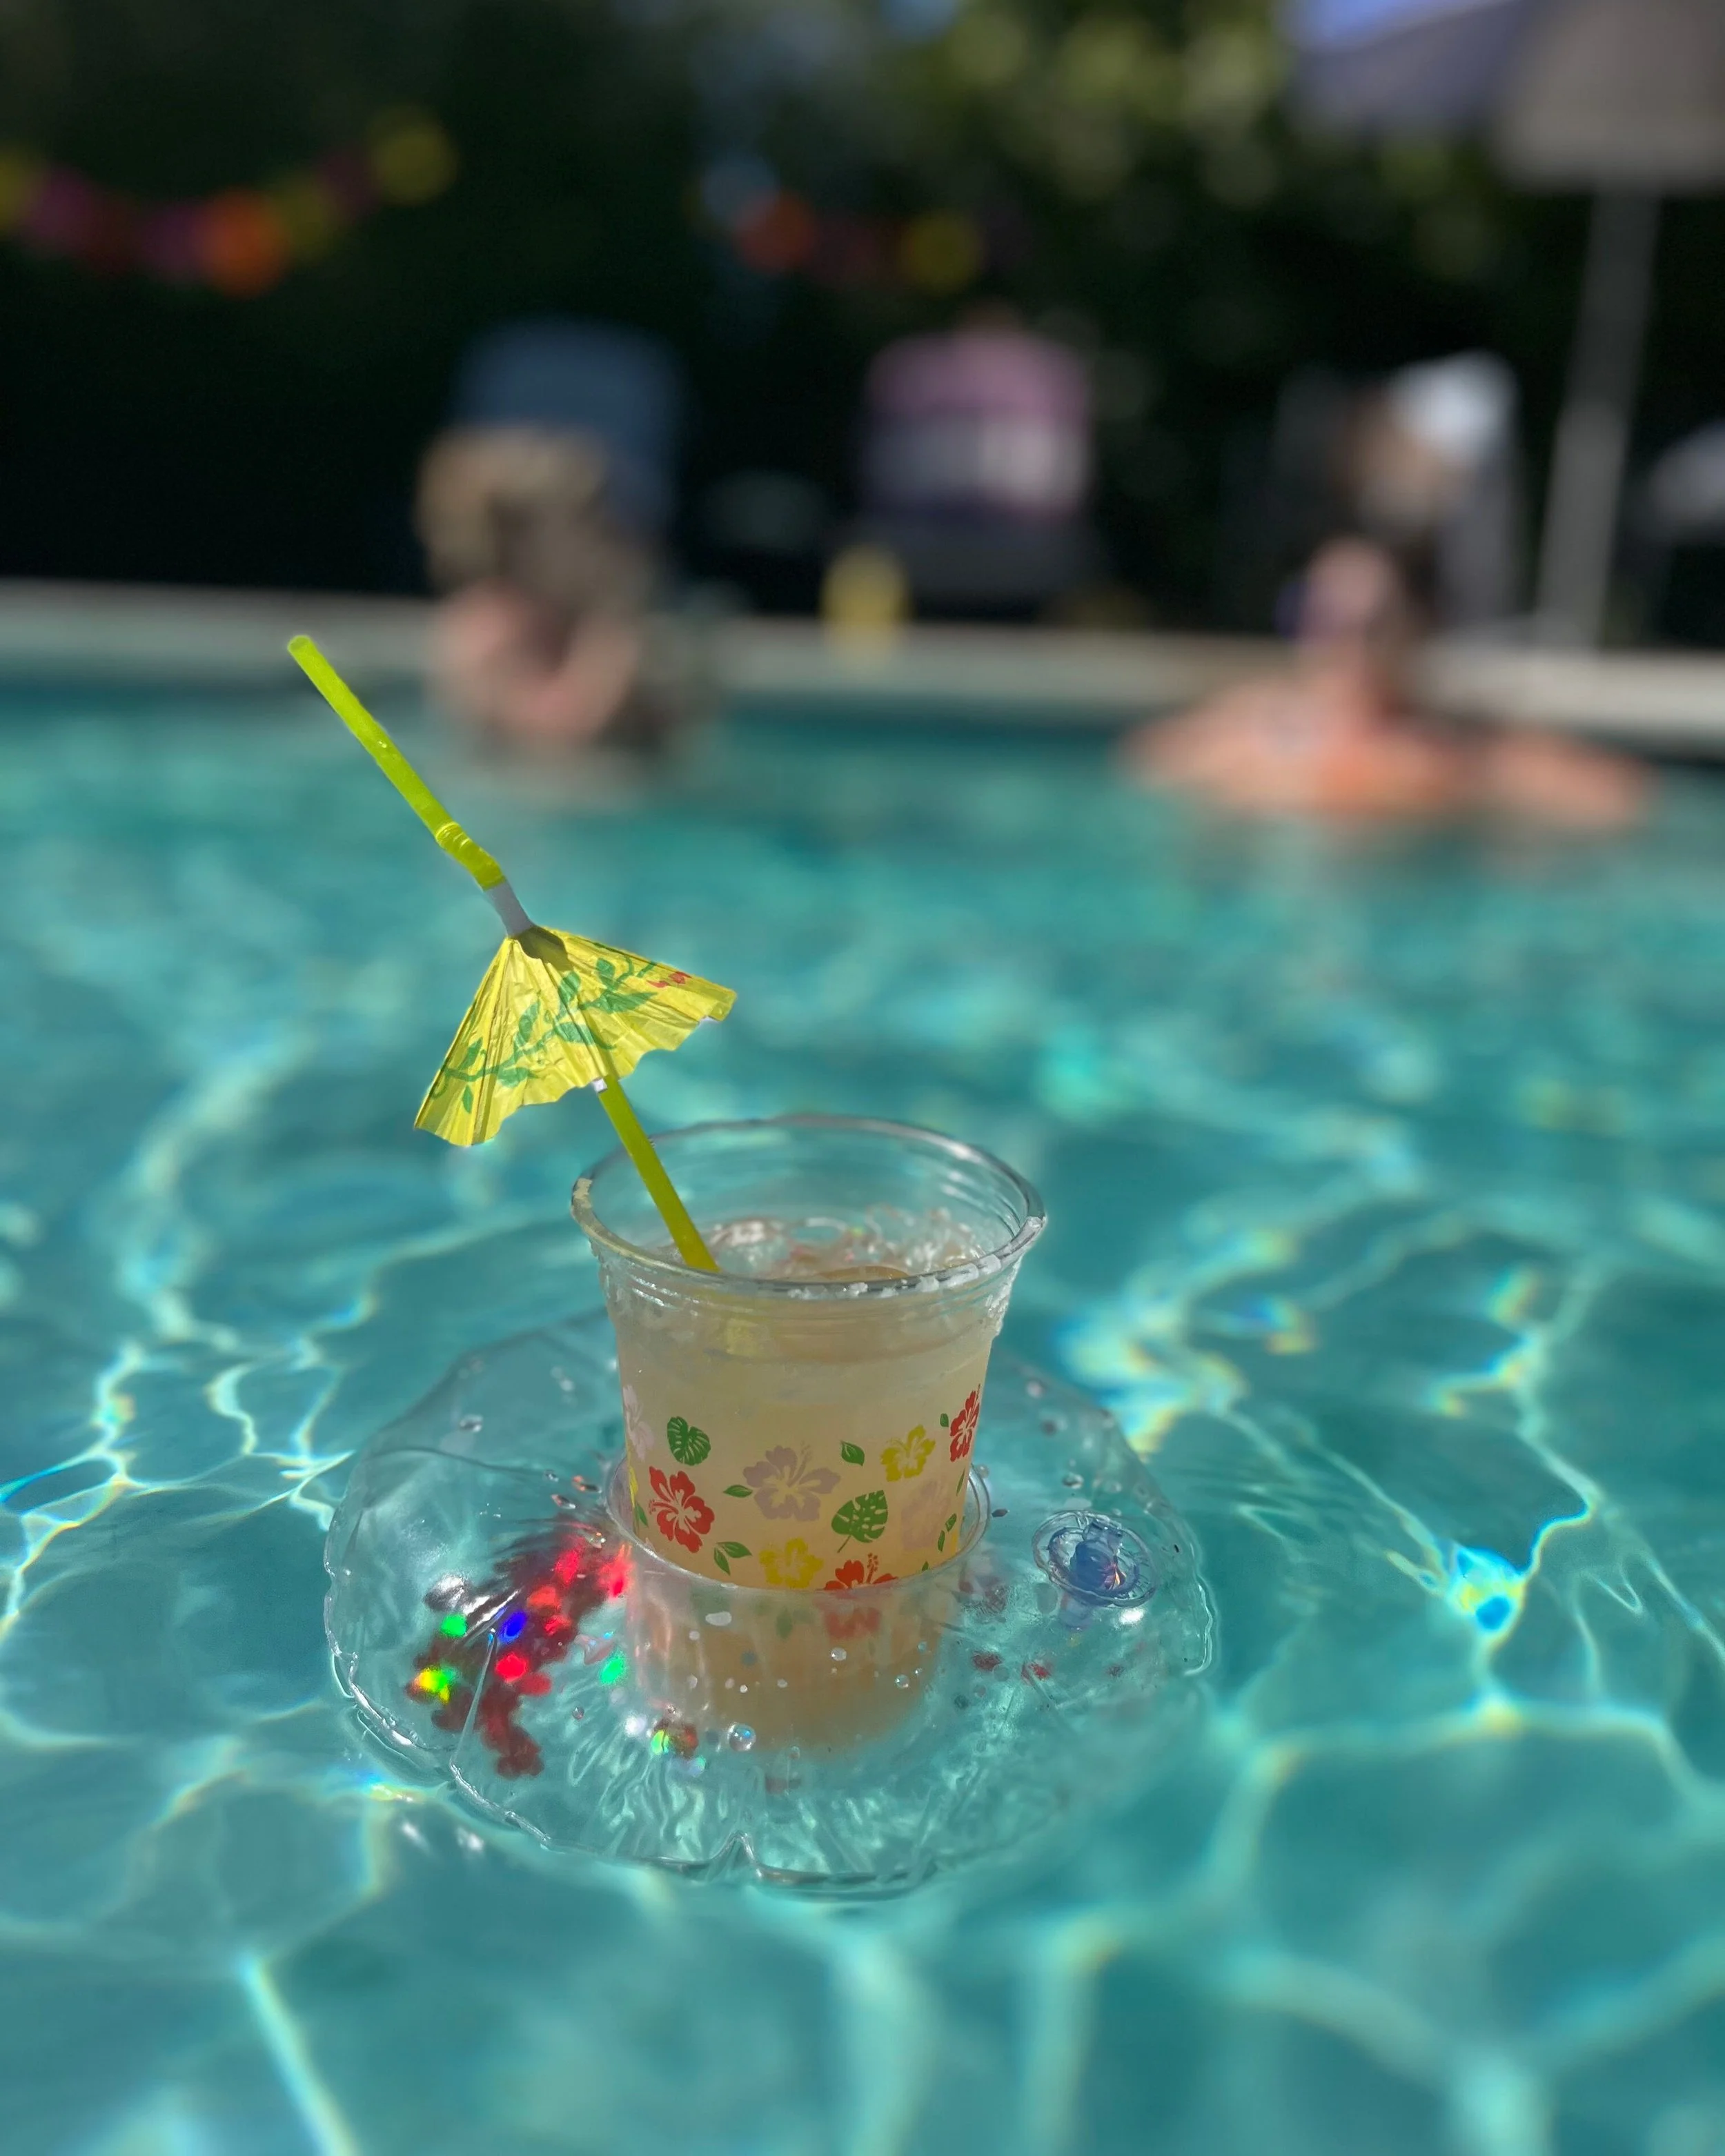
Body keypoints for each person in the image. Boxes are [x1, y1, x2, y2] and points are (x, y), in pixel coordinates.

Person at [1125, 537, 1648, 831]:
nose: (1344, 645)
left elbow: (1621, 795)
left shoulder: (1449, 747)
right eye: (1324, 620)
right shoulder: (1255, 726)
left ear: (1415, 631)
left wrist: (1449, 788)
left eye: (1370, 626)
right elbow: (1143, 764)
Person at [416, 319, 684, 753]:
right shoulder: (483, 634)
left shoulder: (579, 621)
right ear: (526, 543)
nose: (613, 539)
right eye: (592, 527)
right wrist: (611, 645)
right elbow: (562, 734)